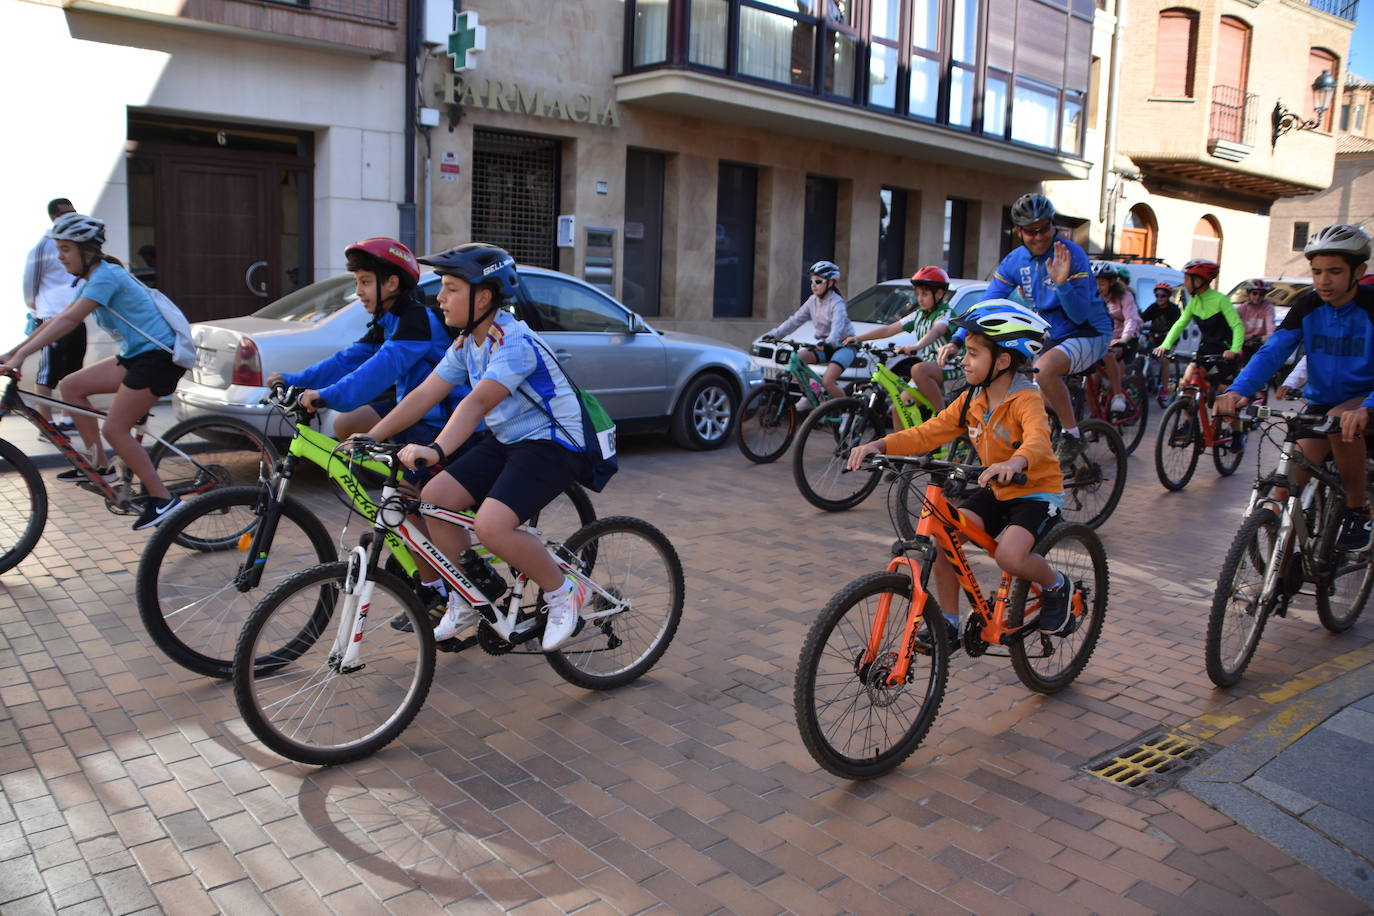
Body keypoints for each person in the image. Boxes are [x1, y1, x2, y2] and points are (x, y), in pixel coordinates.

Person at [355, 243, 590, 651]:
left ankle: (562, 591)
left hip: (553, 442)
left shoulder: (514, 341)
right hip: (507, 439)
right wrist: (372, 436)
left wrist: (437, 449)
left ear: (483, 296)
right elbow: (425, 394)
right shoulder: (467, 342)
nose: (439, 298)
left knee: (491, 526)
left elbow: (477, 402)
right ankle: (466, 594)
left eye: (449, 288)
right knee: (435, 499)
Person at [848, 299, 1078, 643]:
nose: (963, 360)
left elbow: (1037, 443)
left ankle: (1057, 585)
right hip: (995, 488)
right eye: (965, 351)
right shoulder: (972, 399)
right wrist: (880, 445)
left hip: (1034, 491)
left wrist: (1014, 462)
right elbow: (927, 432)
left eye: (972, 353)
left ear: (1002, 361)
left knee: (1010, 557)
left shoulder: (1027, 399)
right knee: (944, 539)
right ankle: (950, 622)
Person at [0, 214, 188, 530]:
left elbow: (69, 321)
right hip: (137, 356)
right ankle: (103, 467)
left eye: (65, 249)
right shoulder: (94, 277)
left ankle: (163, 498)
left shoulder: (106, 277)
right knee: (71, 386)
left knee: (115, 430)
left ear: (86, 251)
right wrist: (11, 353)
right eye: (58, 249)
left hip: (159, 359)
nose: (60, 257)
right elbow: (55, 319)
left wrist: (21, 357)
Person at [1215, 224, 1374, 552]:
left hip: (1365, 404)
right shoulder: (1309, 305)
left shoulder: (1371, 307)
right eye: (1316, 272)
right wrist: (1237, 389)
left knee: (1338, 420)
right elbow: (1274, 350)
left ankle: (1358, 511)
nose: (1323, 281)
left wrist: (1366, 406)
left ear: (1358, 271)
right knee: (1284, 491)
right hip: (1322, 406)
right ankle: (1279, 583)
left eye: (1334, 271)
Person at [940, 193, 1117, 466]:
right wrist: (958, 339)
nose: (1039, 237)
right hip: (1053, 333)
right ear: (1019, 232)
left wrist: (1062, 283)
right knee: (1012, 378)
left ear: (1052, 226)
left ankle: (1071, 434)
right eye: (1031, 231)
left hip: (1090, 332)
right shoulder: (1015, 261)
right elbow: (989, 301)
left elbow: (1080, 314)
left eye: (1044, 228)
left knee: (1044, 370)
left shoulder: (1071, 254)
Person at [266, 237, 456, 445]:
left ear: (392, 283)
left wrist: (326, 395)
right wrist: (294, 380)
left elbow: (376, 373)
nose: (358, 292)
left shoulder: (416, 322)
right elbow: (345, 361)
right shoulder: (388, 320)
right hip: (413, 407)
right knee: (346, 424)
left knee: (405, 477)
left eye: (365, 282)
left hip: (440, 418)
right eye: (356, 282)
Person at [843, 265, 956, 412]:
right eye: (918, 294)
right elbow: (888, 329)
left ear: (939, 294)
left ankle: (943, 417)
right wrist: (858, 338)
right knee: (899, 410)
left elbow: (936, 331)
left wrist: (916, 346)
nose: (920, 299)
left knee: (918, 369)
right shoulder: (919, 314)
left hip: (950, 365)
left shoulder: (945, 313)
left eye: (925, 294)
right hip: (928, 368)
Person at [20, 198, 85, 428]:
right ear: (53, 217)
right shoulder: (43, 245)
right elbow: (30, 281)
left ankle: (69, 417)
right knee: (48, 371)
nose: (71, 217)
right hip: (52, 316)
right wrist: (34, 307)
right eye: (65, 214)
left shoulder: (78, 244)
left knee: (74, 370)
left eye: (73, 213)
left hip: (76, 313)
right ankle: (45, 423)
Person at [760, 260, 855, 401]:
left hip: (844, 346)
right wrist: (775, 334)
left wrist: (829, 342)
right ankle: (810, 396)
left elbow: (837, 328)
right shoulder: (812, 301)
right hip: (825, 346)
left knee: (828, 381)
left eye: (818, 281)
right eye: (811, 281)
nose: (813, 285)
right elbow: (794, 320)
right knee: (797, 360)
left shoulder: (837, 303)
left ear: (830, 283)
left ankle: (849, 412)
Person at [1153, 258, 1245, 400]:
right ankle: (1190, 422)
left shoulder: (1220, 300)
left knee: (1225, 402)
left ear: (1198, 281)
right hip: (1206, 349)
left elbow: (1237, 325)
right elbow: (1180, 324)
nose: (1185, 283)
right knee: (1186, 386)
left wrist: (1234, 350)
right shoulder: (1194, 302)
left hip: (1225, 352)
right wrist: (1166, 345)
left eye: (1187, 279)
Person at [1094, 262, 1141, 413]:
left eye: (1101, 284)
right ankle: (1096, 421)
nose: (1098, 288)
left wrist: (1124, 339)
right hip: (1105, 339)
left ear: (1112, 282)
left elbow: (1131, 320)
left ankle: (1118, 395)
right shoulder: (1093, 297)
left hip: (1126, 338)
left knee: (1113, 362)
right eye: (1095, 283)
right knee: (1093, 378)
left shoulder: (1125, 296)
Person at [1140, 281, 1181, 404]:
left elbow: (1176, 326)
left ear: (1168, 296)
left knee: (1164, 360)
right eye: (1157, 295)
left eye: (1162, 296)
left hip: (1169, 340)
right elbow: (1142, 318)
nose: (1159, 298)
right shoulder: (1154, 307)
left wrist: (1169, 335)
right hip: (1155, 338)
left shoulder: (1174, 309)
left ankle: (1164, 388)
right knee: (1142, 352)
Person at [1236, 279, 1276, 360]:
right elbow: (1232, 323)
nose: (1257, 296)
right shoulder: (1242, 308)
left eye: (1261, 294)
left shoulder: (1268, 307)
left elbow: (1270, 328)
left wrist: (1267, 336)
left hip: (1259, 344)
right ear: (1248, 293)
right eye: (1254, 293)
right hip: (1242, 343)